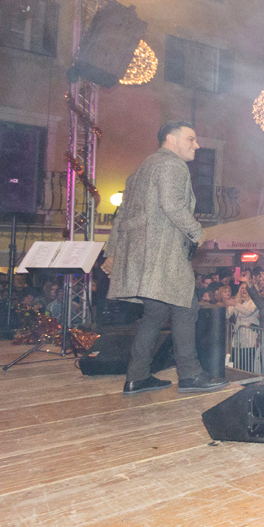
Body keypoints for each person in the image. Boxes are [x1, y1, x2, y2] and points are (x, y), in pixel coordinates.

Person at [103, 121, 227, 394]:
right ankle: (190, 374)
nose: (197, 145)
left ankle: (137, 376)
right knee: (186, 308)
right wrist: (197, 232)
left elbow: (120, 216)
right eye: (191, 139)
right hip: (165, 254)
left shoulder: (139, 171)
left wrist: (112, 252)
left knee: (155, 313)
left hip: (142, 257)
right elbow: (172, 205)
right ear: (171, 139)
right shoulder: (172, 165)